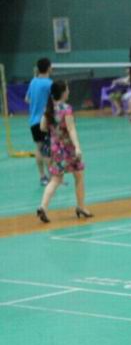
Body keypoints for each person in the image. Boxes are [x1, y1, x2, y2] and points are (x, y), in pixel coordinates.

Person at [36, 81, 93, 223]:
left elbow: (42, 127)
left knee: (56, 179)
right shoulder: (66, 109)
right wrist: (77, 147)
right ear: (63, 92)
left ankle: (43, 207)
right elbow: (71, 129)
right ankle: (81, 207)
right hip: (68, 149)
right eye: (67, 89)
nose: (69, 91)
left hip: (55, 149)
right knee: (79, 176)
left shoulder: (49, 108)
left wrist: (54, 129)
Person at [25, 57, 53, 186]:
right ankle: (52, 177)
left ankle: (42, 177)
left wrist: (36, 104)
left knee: (39, 148)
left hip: (33, 121)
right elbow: (54, 101)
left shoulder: (33, 81)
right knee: (47, 149)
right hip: (44, 121)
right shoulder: (49, 83)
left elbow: (27, 99)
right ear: (48, 68)